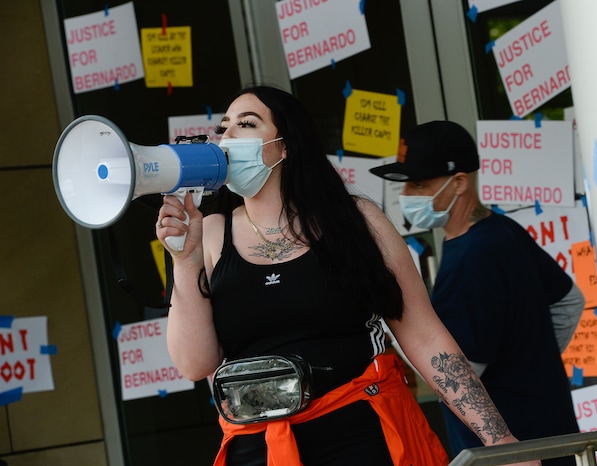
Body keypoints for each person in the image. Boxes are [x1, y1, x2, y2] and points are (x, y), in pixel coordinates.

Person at [155, 85, 541, 466]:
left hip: (361, 434)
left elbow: (422, 333)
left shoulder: (355, 221)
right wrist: (185, 261)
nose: (227, 137)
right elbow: (194, 363)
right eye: (224, 128)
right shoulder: (208, 234)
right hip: (261, 447)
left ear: (286, 146)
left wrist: (498, 438)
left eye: (247, 124)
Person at [369, 120, 585, 465]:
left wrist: (394, 329)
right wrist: (529, 367)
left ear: (458, 183)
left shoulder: (471, 258)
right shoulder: (503, 231)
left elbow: (455, 370)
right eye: (405, 184)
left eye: (419, 183)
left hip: (508, 451)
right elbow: (570, 302)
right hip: (549, 434)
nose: (407, 195)